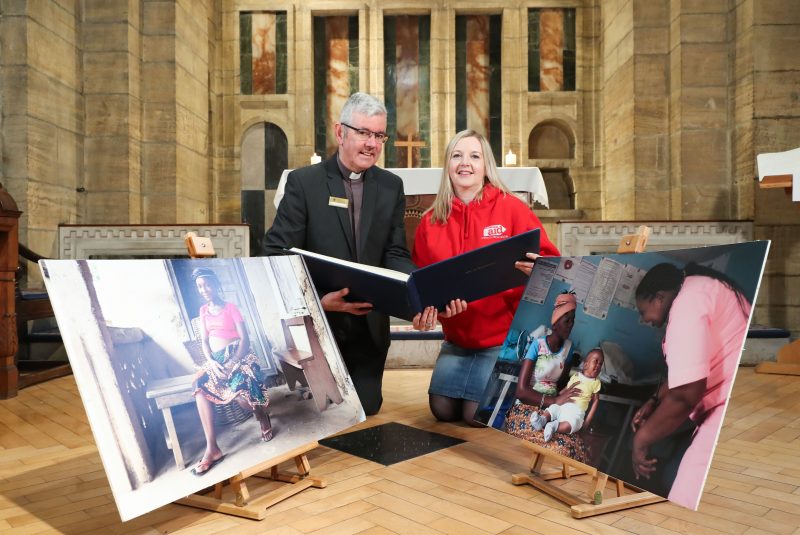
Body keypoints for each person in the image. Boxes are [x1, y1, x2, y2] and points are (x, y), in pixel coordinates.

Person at [264, 92, 437, 416]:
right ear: (340, 132)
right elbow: (275, 253)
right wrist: (317, 301)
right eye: (363, 132)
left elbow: (395, 252)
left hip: (368, 328)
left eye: (379, 135)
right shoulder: (304, 183)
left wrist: (418, 291)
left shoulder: (390, 187)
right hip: (319, 325)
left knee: (365, 408)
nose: (372, 143)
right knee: (318, 412)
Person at [411, 129, 560, 425]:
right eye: (457, 155)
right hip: (457, 340)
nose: (465, 163)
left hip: (499, 338)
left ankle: (515, 382)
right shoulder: (430, 222)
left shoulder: (511, 208)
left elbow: (553, 263)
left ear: (485, 166)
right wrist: (431, 311)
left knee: (474, 416)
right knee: (442, 411)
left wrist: (539, 270)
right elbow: (422, 286)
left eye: (474, 156)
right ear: (447, 165)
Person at [630, 262, 752, 509]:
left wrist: (640, 441)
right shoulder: (699, 289)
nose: (645, 321)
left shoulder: (685, 306)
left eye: (643, 312)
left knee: (683, 495)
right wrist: (654, 399)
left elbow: (686, 393)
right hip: (736, 401)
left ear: (659, 298)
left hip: (725, 408)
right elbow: (688, 370)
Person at [191, 267, 273, 476]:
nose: (204, 289)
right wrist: (211, 362)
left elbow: (245, 340)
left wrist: (232, 362)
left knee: (243, 396)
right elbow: (204, 342)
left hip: (239, 355)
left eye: (207, 284)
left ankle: (262, 416)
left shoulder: (231, 308)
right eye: (200, 286)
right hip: (216, 361)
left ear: (216, 285)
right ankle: (212, 449)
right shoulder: (203, 311)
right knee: (199, 389)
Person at [531, 348, 603, 442]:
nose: (598, 365)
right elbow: (564, 391)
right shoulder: (576, 375)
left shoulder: (596, 382)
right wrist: (560, 394)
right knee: (553, 408)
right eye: (596, 361)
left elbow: (596, 401)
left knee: (574, 424)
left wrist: (588, 420)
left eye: (601, 363)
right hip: (563, 405)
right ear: (586, 364)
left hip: (577, 412)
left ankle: (553, 426)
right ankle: (542, 420)